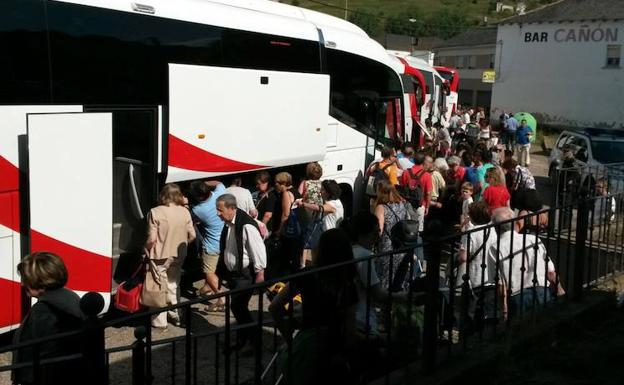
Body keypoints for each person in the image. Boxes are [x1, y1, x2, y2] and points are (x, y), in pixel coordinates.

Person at [269, 229, 359, 385]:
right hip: (333, 348)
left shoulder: (308, 274)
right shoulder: (346, 282)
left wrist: (289, 338)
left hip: (308, 343)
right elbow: (350, 331)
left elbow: (274, 306)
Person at [13, 252, 86, 385]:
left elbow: (41, 354)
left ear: (40, 281)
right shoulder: (68, 295)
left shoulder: (44, 310)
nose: (22, 283)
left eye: (25, 279)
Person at [489, 208, 563, 318]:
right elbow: (550, 272)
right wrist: (560, 291)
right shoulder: (533, 239)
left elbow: (501, 285)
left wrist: (504, 310)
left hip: (516, 297)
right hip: (541, 291)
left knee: (520, 332)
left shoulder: (495, 247)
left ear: (495, 228)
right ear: (515, 222)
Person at [216, 194, 267, 353]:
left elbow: (258, 250)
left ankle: (254, 342)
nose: (218, 213)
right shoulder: (230, 223)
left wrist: (260, 274)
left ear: (232, 209)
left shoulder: (246, 226)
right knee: (239, 308)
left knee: (238, 307)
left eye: (220, 210)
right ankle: (243, 340)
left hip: (245, 275)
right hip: (235, 275)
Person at [145, 183, 196, 328]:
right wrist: (182, 245)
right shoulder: (185, 211)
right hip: (179, 254)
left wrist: (145, 248)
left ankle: (159, 322)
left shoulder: (155, 212)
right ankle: (176, 314)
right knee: (174, 284)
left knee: (159, 287)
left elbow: (151, 239)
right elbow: (192, 235)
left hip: (159, 254)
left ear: (163, 195)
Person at [455, 201, 498, 332]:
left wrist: (456, 257)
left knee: (469, 314)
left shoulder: (471, 233)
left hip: (474, 279)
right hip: (490, 278)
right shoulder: (493, 229)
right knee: (487, 314)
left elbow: (463, 257)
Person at [190, 180, 226, 303]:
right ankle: (206, 288)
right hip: (225, 241)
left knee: (209, 272)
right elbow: (218, 183)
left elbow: (193, 223)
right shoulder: (220, 193)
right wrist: (204, 183)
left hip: (212, 245)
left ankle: (221, 298)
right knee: (217, 268)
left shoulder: (199, 210)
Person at [374, 180, 410, 292]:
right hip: (402, 246)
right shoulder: (402, 204)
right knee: (399, 280)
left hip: (387, 247)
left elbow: (378, 230)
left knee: (385, 280)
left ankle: (385, 306)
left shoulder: (381, 207)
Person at [274, 171, 303, 275]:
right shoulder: (295, 190)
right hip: (299, 228)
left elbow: (286, 214)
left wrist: (279, 230)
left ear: (282, 183)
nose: (275, 185)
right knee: (295, 256)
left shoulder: (286, 193)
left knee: (288, 256)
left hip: (290, 230)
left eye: (276, 183)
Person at [299, 162, 324, 266]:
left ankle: (302, 264)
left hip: (307, 210)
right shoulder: (322, 183)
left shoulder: (305, 183)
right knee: (315, 234)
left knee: (305, 236)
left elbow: (300, 194)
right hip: (318, 210)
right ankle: (314, 261)